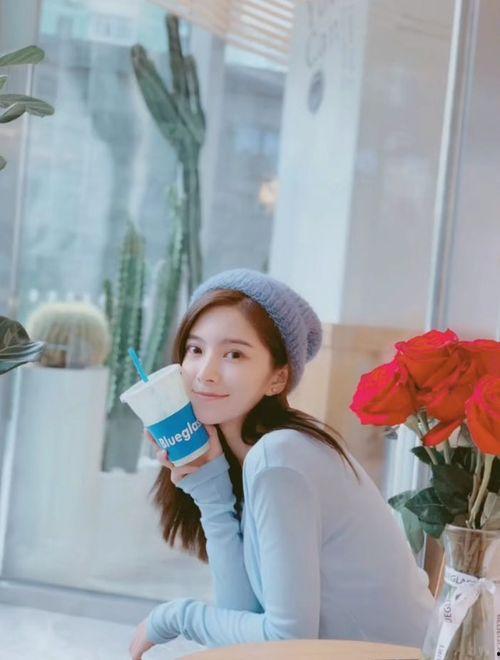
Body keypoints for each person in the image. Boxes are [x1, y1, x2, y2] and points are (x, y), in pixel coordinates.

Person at [129, 268, 434, 659]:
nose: (205, 373)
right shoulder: (262, 455)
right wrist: (211, 490)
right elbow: (242, 617)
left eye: (234, 354)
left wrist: (174, 617)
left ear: (277, 378)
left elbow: (284, 640)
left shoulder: (280, 458)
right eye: (196, 350)